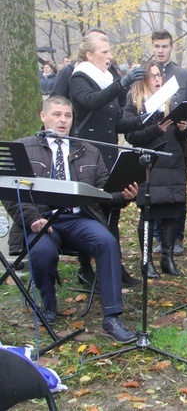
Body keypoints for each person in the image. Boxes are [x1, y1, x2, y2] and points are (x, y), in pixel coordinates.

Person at [2, 96, 138, 343]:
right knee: (42, 253)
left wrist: (125, 195)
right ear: (43, 117)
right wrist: (32, 218)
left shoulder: (89, 150)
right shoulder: (23, 148)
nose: (63, 120)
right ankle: (48, 306)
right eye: (56, 114)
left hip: (79, 219)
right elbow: (10, 194)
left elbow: (103, 193)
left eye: (67, 115)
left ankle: (112, 318)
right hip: (41, 221)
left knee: (107, 242)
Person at [68, 32, 145, 288]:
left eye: (110, 51)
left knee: (113, 210)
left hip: (109, 153)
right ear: (90, 55)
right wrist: (123, 83)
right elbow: (92, 101)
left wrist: (145, 118)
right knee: (89, 210)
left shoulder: (108, 79)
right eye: (104, 52)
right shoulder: (79, 77)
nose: (110, 56)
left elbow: (117, 122)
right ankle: (86, 267)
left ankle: (113, 266)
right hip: (87, 155)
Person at [123, 61, 187, 277]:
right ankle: (146, 260)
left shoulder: (172, 101)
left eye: (159, 75)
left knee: (171, 211)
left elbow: (180, 135)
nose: (157, 79)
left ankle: (167, 259)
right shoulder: (134, 103)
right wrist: (155, 130)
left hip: (173, 160)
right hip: (150, 164)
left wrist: (182, 129)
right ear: (144, 81)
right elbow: (131, 136)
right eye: (152, 76)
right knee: (149, 213)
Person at [150, 29, 187, 256]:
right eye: (157, 46)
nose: (160, 51)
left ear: (171, 47)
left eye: (164, 46)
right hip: (153, 141)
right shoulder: (145, 73)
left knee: (177, 191)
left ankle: (177, 236)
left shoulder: (184, 75)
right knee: (155, 190)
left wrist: (185, 124)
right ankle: (159, 236)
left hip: (177, 141)